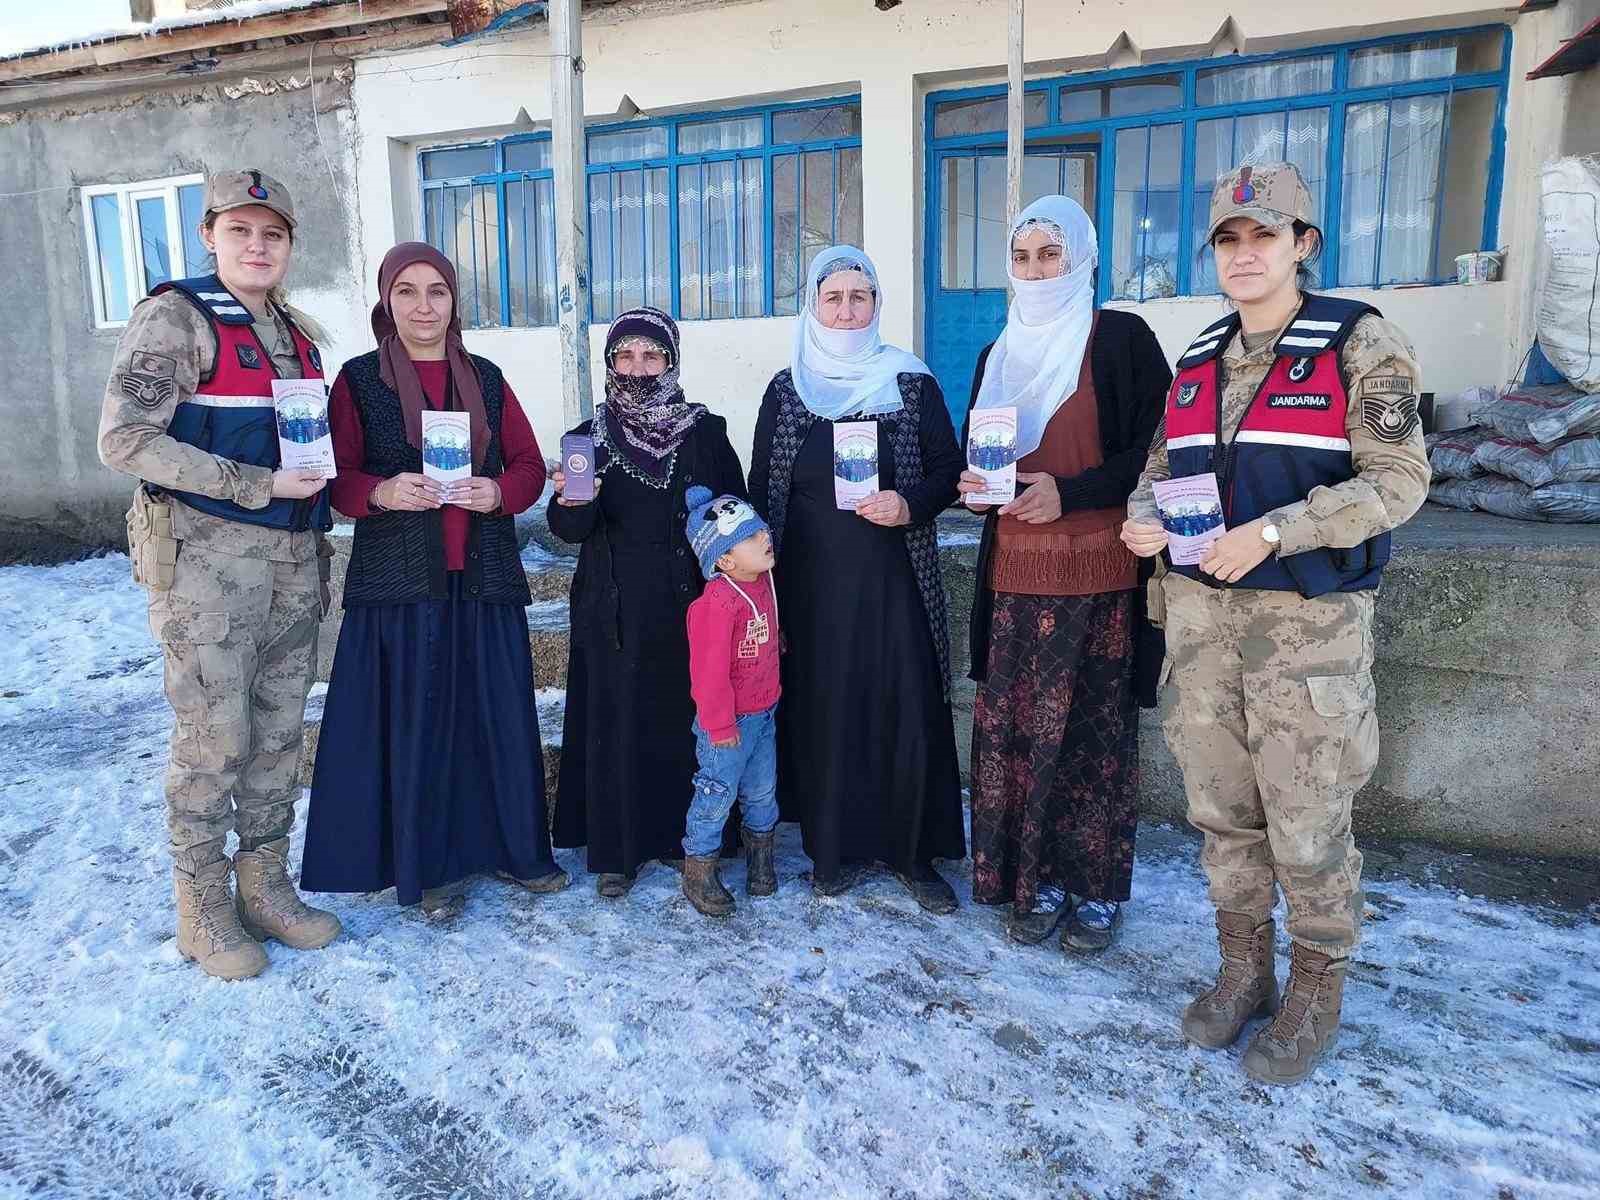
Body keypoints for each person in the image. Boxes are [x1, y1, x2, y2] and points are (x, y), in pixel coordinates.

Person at [1121, 163, 1430, 1085]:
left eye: (1265, 234)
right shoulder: (1198, 357)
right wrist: (1143, 517)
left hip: (1307, 632)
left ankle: (1316, 987)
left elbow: (1400, 480)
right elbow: (1158, 469)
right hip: (1201, 629)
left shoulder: (1358, 345)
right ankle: (1245, 968)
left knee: (1308, 820)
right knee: (1223, 813)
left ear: (1304, 244)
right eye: (1228, 238)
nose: (1245, 253)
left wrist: (1275, 531)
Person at [99, 169, 341, 980]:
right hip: (209, 566)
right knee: (215, 738)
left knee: (277, 735)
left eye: (272, 233)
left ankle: (263, 884)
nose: (257, 245)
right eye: (240, 230)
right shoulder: (175, 318)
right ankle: (201, 903)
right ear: (209, 236)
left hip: (292, 563)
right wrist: (255, 485)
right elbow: (126, 440)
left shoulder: (295, 330)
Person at [298, 243, 566, 918]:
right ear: (387, 303)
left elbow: (530, 466)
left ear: (454, 302)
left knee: (495, 720)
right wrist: (384, 493)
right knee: (419, 725)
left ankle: (515, 850)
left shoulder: (488, 379)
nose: (424, 306)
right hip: (400, 586)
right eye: (408, 292)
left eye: (438, 291)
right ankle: (430, 872)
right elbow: (338, 480)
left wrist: (497, 492)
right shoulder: (360, 382)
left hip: (481, 579)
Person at [958, 196, 1172, 952]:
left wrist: (1072, 491)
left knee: (1091, 736)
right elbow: (982, 454)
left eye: (1050, 254)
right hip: (1015, 577)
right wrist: (976, 487)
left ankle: (1093, 889)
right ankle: (1032, 879)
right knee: (1018, 733)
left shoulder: (1119, 339)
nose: (1036, 269)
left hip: (1098, 578)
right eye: (1022, 257)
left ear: (1080, 257)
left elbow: (1157, 450)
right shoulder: (999, 353)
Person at [749, 246, 966, 912]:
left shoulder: (909, 382)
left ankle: (914, 856)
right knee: (826, 709)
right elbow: (762, 486)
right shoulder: (789, 391)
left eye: (860, 296)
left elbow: (946, 470)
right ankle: (831, 851)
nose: (847, 310)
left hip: (896, 576)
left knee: (906, 705)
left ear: (877, 304)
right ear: (813, 306)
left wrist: (910, 505)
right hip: (813, 588)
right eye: (833, 297)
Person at [550, 308, 749, 897]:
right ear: (611, 364)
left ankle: (695, 840)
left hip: (692, 605)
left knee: (690, 719)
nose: (638, 367)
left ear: (672, 361)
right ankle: (620, 850)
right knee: (620, 720)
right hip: (614, 608)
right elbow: (571, 531)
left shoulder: (705, 433)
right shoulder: (590, 438)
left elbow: (734, 512)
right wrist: (568, 500)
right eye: (625, 356)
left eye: (651, 355)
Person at [679, 487, 782, 917]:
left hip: (764, 712)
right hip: (727, 725)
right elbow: (708, 672)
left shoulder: (763, 582)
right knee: (715, 795)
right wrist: (719, 725)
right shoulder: (716, 604)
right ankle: (699, 870)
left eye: (761, 528)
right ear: (724, 560)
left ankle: (760, 860)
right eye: (751, 536)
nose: (765, 537)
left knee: (762, 792)